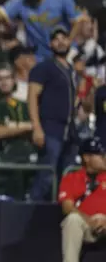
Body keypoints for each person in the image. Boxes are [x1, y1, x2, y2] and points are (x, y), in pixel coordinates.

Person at [27, 26, 79, 201]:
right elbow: (32, 96)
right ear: (50, 44)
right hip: (51, 128)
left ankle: (59, 215)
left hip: (69, 130)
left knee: (66, 177)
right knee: (46, 176)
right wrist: (36, 127)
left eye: (64, 38)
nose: (61, 41)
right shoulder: (44, 68)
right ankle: (31, 213)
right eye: (56, 39)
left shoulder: (72, 70)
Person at [58, 136, 106, 262]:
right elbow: (67, 207)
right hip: (86, 225)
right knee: (72, 219)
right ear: (86, 158)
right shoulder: (71, 178)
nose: (104, 158)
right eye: (100, 155)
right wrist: (90, 221)